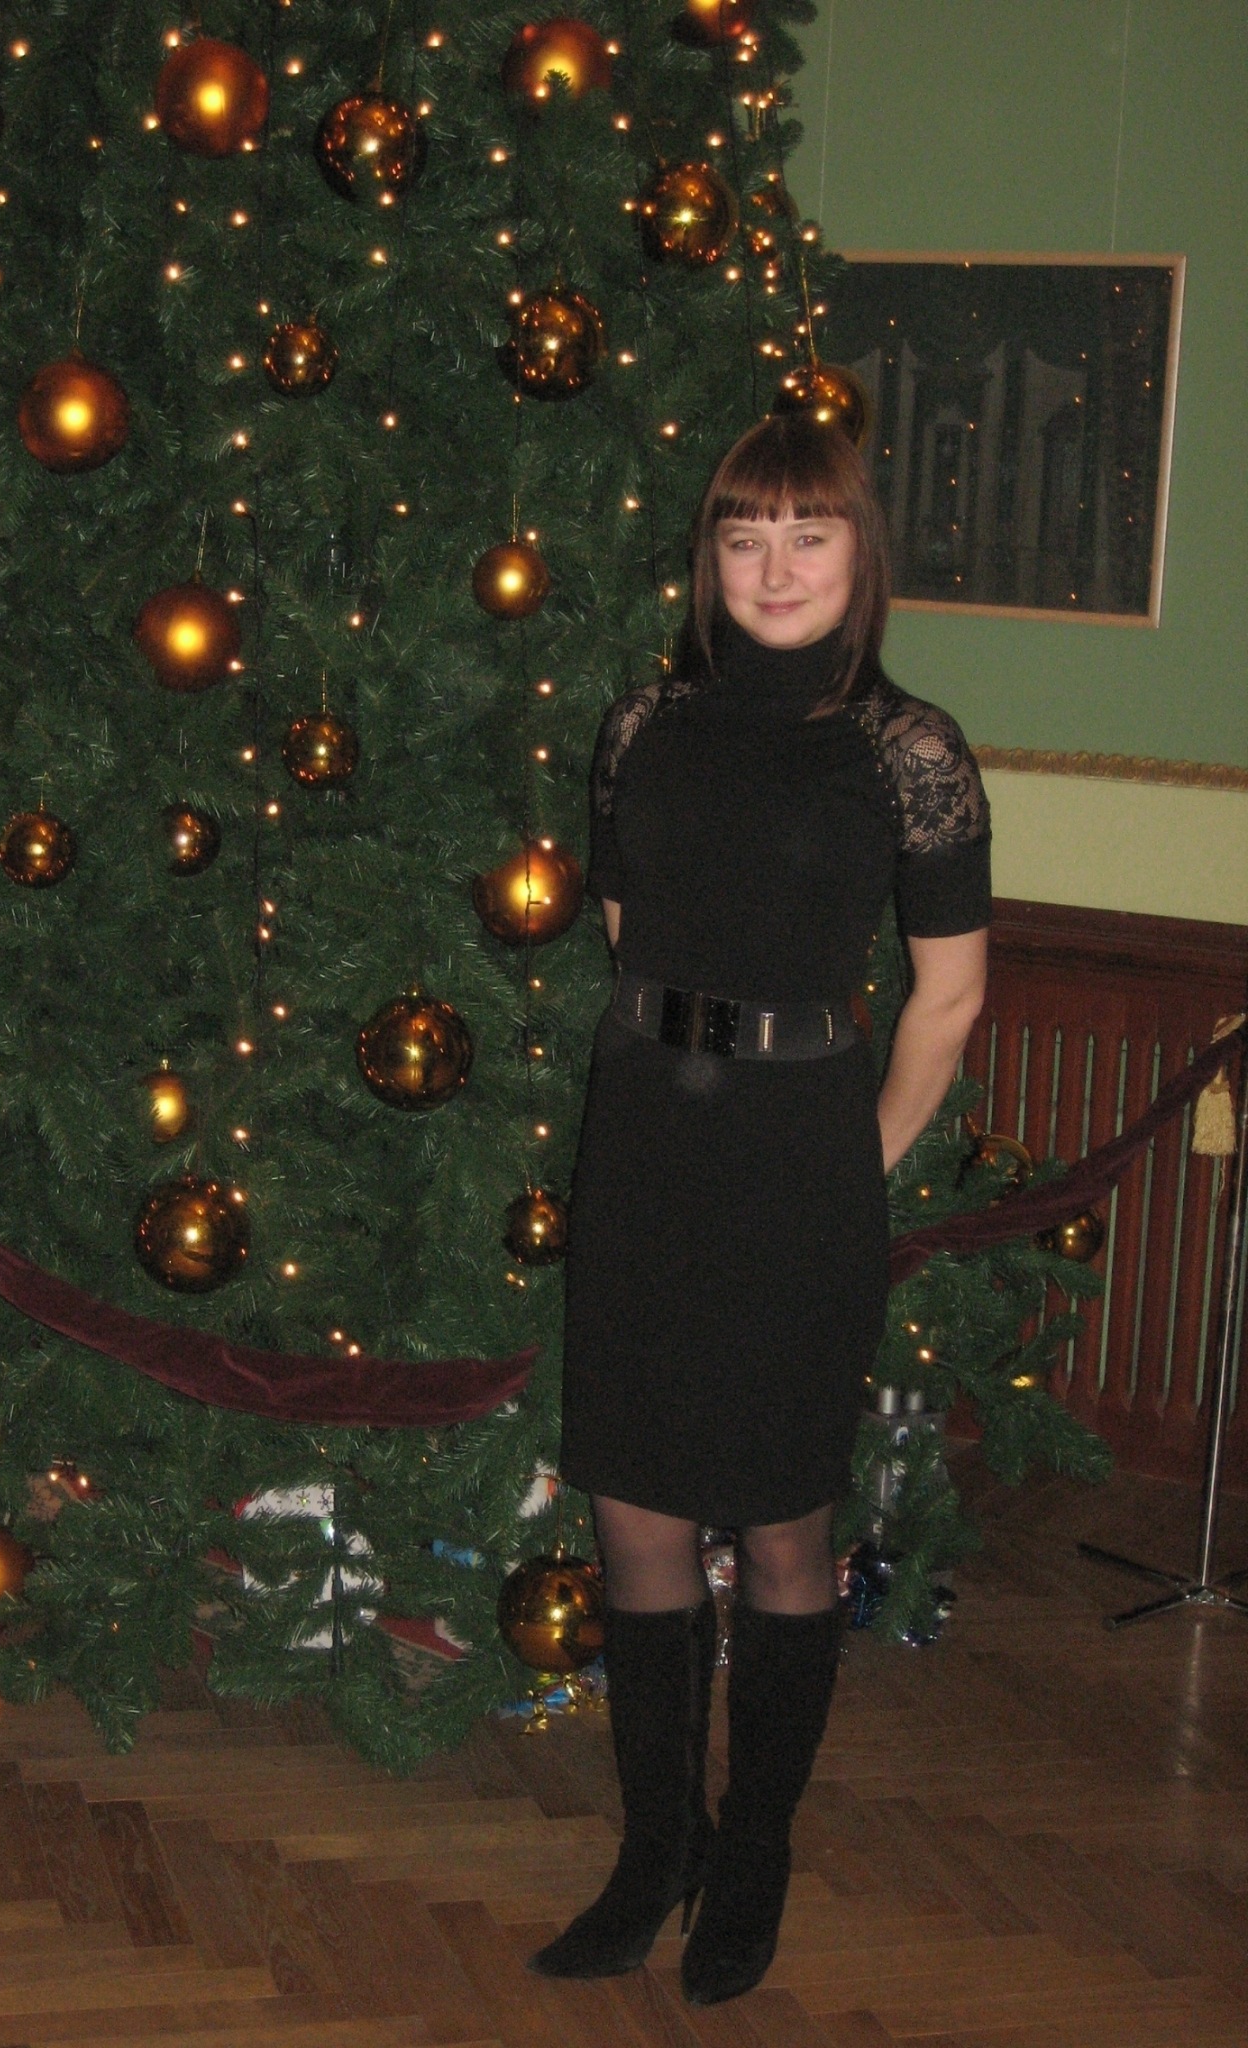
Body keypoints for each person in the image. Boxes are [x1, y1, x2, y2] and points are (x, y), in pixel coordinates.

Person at [529, 413, 990, 2006]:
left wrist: (857, 1160)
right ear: (708, 558)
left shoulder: (909, 751)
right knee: (636, 1513)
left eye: (809, 534)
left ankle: (755, 1853)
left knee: (785, 1525)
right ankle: (656, 1847)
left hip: (800, 1160)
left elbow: (946, 996)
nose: (775, 568)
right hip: (647, 1145)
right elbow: (627, 926)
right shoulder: (639, 725)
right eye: (745, 537)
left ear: (861, 552)